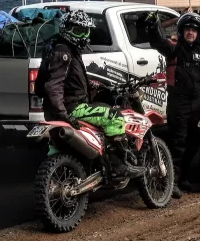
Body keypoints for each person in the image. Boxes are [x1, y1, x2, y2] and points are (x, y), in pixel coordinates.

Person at [36, 10, 146, 178]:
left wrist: (95, 86)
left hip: (55, 109)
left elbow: (67, 81)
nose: (84, 35)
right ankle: (118, 166)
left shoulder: (59, 48)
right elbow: (54, 86)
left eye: (86, 31)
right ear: (67, 30)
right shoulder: (64, 52)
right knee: (114, 116)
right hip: (71, 108)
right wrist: (64, 114)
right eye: (79, 31)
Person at [140, 10, 200, 198]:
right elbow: (158, 41)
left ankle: (184, 179)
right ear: (182, 31)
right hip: (177, 103)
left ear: (198, 33)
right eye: (187, 29)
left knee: (196, 139)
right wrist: (153, 26)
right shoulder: (173, 48)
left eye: (194, 30)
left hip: (196, 103)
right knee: (178, 143)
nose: (191, 32)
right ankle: (170, 183)